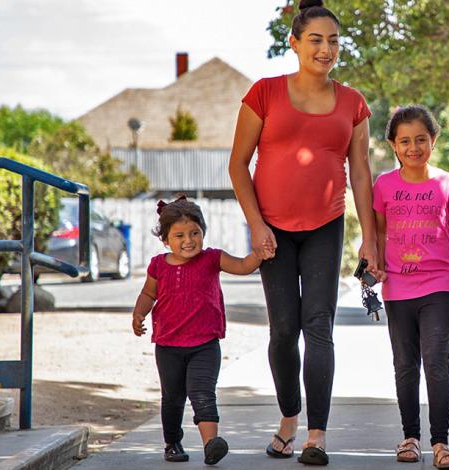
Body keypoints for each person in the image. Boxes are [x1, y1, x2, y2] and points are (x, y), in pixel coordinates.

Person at [227, 0, 380, 465]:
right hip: (272, 230)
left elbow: (362, 173)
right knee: (282, 332)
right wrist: (256, 225)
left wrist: (369, 239)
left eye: (333, 40)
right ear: (294, 44)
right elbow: (238, 165)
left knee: (319, 326)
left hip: (325, 227)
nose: (326, 48)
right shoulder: (264, 94)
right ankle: (289, 418)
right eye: (315, 39)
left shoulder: (353, 103)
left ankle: (316, 435)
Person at [372, 105, 449, 469]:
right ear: (393, 145)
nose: (413, 147)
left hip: (439, 285)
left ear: (433, 141)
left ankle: (441, 443)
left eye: (421, 139)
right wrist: (370, 265)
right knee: (405, 364)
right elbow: (376, 233)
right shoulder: (384, 185)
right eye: (404, 141)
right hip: (396, 286)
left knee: (436, 362)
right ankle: (410, 437)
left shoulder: (448, 184)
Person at [131, 196, 263, 466]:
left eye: (195, 233)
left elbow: (242, 266)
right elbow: (148, 293)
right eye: (179, 235)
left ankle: (211, 444)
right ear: (166, 240)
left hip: (205, 344)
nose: (188, 240)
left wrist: (259, 254)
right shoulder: (158, 264)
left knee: (203, 392)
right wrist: (139, 313)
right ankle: (172, 442)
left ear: (203, 232)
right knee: (173, 397)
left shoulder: (212, 258)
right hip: (168, 346)